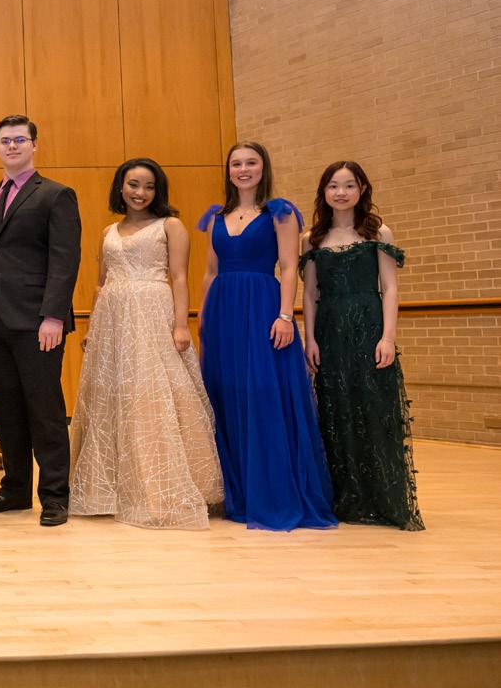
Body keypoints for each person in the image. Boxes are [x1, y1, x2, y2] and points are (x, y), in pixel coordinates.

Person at [70, 158, 222, 529]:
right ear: (120, 187)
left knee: (153, 395)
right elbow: (101, 283)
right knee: (113, 397)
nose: (141, 193)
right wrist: (93, 326)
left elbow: (180, 277)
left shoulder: (170, 225)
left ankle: (159, 490)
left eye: (149, 186)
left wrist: (181, 325)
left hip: (152, 313)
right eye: (134, 184)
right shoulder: (108, 231)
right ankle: (112, 489)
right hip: (112, 319)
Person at [197, 141, 335, 531]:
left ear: (263, 168)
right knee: (227, 395)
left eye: (251, 163)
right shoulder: (216, 217)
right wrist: (204, 316)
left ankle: (273, 494)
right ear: (228, 170)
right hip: (223, 311)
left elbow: (290, 267)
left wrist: (285, 315)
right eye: (236, 163)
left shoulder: (280, 213)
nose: (243, 169)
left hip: (262, 308)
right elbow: (210, 271)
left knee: (263, 396)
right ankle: (237, 494)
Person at [0, 114, 81, 527]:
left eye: (19, 139)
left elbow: (65, 260)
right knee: (5, 411)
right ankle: (15, 490)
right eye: (5, 140)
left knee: (45, 409)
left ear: (34, 145)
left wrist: (53, 315)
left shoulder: (55, 195)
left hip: (37, 323)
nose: (12, 146)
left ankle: (55, 496)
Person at [301, 161, 423, 530]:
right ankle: (346, 499)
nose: (341, 192)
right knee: (335, 414)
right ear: (324, 191)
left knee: (374, 411)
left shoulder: (377, 232)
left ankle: (382, 500)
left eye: (349, 185)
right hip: (329, 332)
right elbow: (309, 294)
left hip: (369, 329)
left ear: (362, 189)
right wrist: (310, 338)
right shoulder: (312, 238)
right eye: (333, 186)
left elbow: (391, 288)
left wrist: (387, 337)